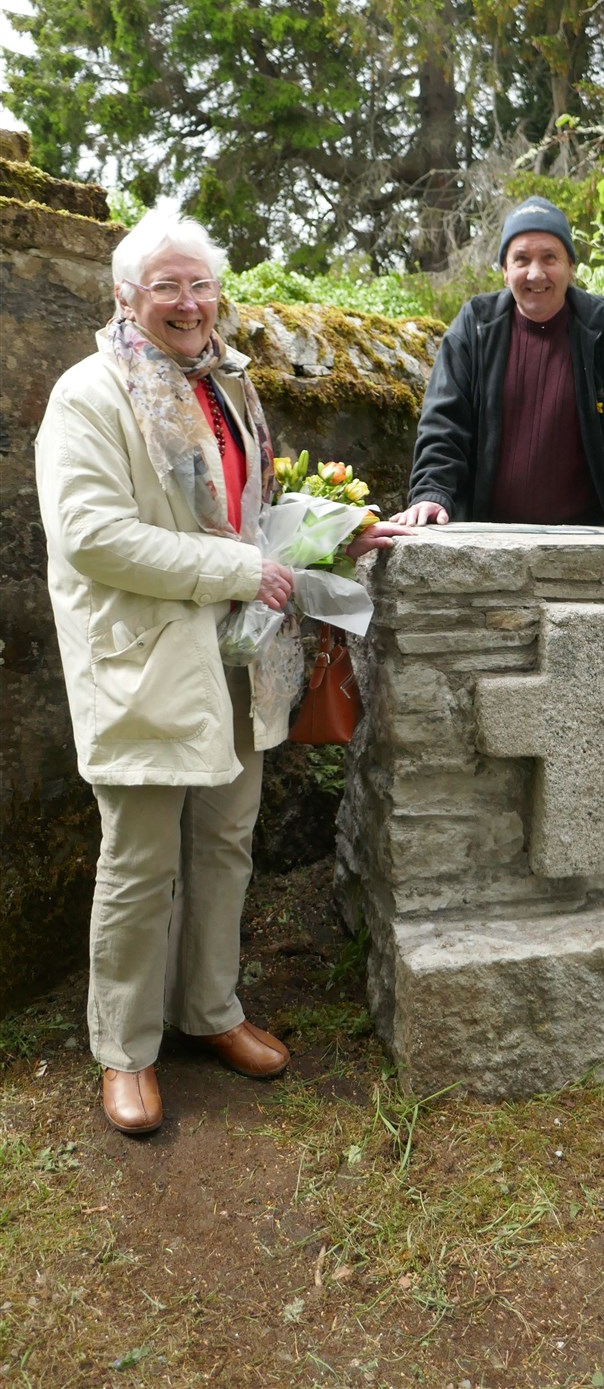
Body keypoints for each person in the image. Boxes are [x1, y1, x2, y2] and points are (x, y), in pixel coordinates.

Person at [35, 201, 408, 1135]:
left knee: (226, 839)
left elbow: (250, 513)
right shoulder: (90, 393)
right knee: (140, 858)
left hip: (236, 655)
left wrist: (329, 533)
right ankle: (125, 1049)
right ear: (126, 295)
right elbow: (91, 537)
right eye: (168, 285)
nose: (190, 301)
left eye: (201, 284)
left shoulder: (227, 386)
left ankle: (208, 1010)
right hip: (148, 660)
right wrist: (239, 570)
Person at [392, 196, 604, 528]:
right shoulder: (474, 326)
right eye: (521, 259)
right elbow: (443, 425)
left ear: (570, 267)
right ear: (505, 272)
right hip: (483, 538)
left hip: (589, 535)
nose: (536, 273)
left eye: (550, 257)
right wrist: (431, 491)